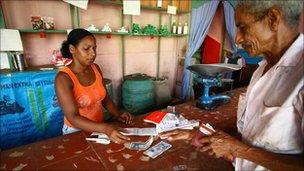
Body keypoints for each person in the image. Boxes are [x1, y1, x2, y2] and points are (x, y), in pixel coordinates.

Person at [160, 0, 303, 170]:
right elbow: (251, 135)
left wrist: (237, 149)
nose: (237, 39)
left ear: (273, 19)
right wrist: (199, 135)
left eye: (242, 27)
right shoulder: (262, 69)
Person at [55, 28, 134, 144]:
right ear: (72, 49)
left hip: (99, 127)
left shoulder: (95, 68)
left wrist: (118, 114)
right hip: (76, 131)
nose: (93, 53)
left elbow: (105, 99)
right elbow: (73, 117)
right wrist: (105, 128)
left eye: (94, 48)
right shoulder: (63, 78)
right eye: (86, 49)